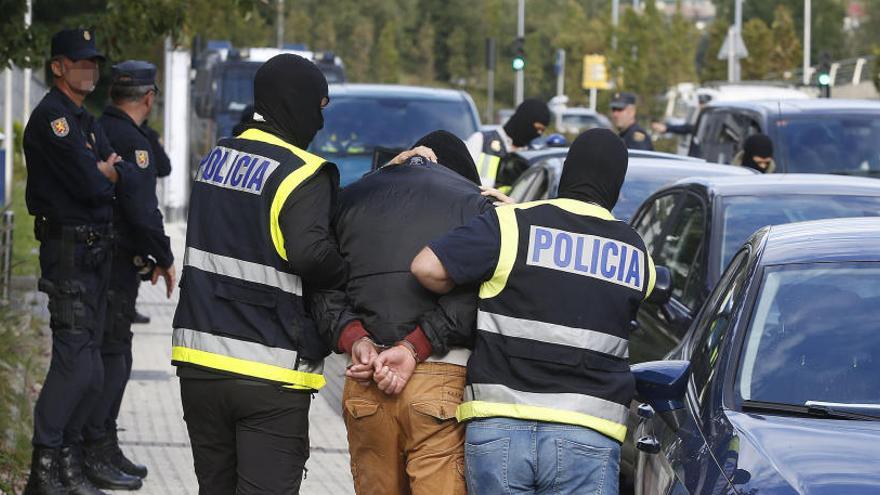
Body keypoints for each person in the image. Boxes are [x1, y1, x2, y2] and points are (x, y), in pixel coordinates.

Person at [411, 128, 657, 495]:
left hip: (499, 426)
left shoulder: (512, 226)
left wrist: (511, 224)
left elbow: (426, 267)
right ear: (616, 185)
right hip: (587, 433)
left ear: (567, 173)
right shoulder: (636, 253)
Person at [171, 54, 346, 494]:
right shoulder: (302, 173)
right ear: (297, 102)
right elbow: (311, 256)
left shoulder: (215, 160)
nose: (320, 123)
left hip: (200, 363)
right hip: (268, 370)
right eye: (319, 107)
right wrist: (347, 268)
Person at [311, 131, 492, 495]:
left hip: (368, 375)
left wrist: (355, 338)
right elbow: (480, 294)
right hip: (440, 381)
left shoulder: (350, 200)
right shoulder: (475, 207)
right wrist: (415, 346)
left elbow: (321, 283)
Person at [22, 28, 126, 495]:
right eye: (81, 63)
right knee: (75, 366)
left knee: (93, 368)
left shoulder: (82, 118)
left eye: (94, 63)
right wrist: (102, 170)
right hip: (68, 252)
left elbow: (112, 170)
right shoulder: (54, 119)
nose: (91, 70)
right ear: (58, 67)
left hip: (93, 252)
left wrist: (104, 169)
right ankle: (44, 470)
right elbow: (94, 183)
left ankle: (66, 461)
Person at [81, 60, 176, 490]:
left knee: (110, 354)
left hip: (106, 258)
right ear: (149, 98)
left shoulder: (103, 126)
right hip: (115, 263)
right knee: (114, 357)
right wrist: (164, 254)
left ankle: (102, 445)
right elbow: (140, 207)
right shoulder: (131, 138)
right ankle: (95, 447)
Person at [465, 99, 550, 188]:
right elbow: (462, 180)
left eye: (542, 130)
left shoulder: (532, 154)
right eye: (537, 128)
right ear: (524, 120)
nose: (538, 133)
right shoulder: (481, 141)